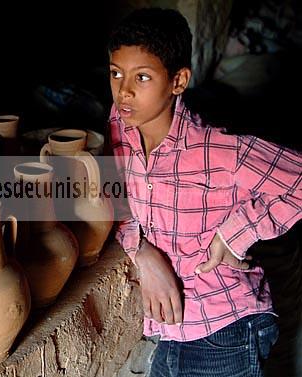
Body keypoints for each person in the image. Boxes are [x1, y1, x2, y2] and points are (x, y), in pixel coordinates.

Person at [108, 8, 301, 377]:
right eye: (116, 73)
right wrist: (141, 251)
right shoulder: (121, 126)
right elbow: (111, 191)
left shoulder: (217, 149)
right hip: (172, 334)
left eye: (142, 77)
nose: (124, 90)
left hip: (225, 330)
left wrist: (235, 235)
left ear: (178, 81)